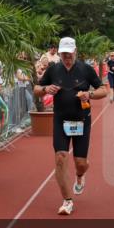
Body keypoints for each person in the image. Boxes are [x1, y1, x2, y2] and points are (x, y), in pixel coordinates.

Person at [33, 37, 107, 215]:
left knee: (80, 163)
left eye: (69, 53)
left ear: (75, 52)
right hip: (60, 120)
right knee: (60, 158)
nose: (67, 56)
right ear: (59, 53)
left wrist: (89, 94)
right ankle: (67, 201)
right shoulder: (53, 69)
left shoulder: (86, 69)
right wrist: (45, 89)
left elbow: (104, 90)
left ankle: (80, 175)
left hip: (82, 120)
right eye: (63, 53)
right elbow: (36, 89)